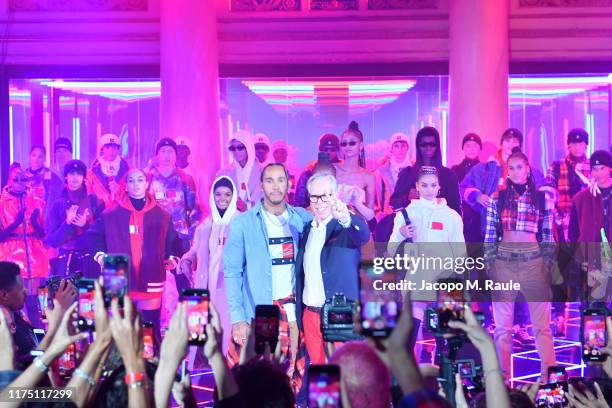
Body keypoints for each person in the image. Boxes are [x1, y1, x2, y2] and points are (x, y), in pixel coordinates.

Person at [224, 163, 312, 389]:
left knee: (289, 380)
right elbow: (232, 272)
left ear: (289, 183)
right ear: (261, 185)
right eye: (270, 181)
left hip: (293, 312)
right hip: (261, 311)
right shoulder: (243, 223)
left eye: (281, 180)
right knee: (258, 383)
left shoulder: (302, 219)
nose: (276, 187)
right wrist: (238, 318)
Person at [81, 168, 182, 337]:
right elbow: (93, 236)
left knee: (149, 328)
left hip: (151, 276)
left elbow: (173, 242)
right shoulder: (110, 214)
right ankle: (119, 363)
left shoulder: (162, 215)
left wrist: (172, 259)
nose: (136, 184)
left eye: (140, 180)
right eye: (131, 180)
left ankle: (150, 363)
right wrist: (101, 257)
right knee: (118, 328)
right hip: (117, 277)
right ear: (126, 186)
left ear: (147, 184)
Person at [483, 147, 556, 379]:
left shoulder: (541, 197)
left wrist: (548, 264)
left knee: (541, 326)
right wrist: (489, 263)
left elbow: (547, 234)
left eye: (520, 167)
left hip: (534, 262)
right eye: (511, 167)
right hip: (504, 262)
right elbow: (490, 234)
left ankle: (549, 380)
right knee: (502, 328)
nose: (515, 171)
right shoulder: (499, 197)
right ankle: (502, 382)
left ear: (528, 169)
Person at [387, 166, 466, 362]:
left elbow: (460, 253)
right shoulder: (405, 214)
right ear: (417, 187)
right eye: (424, 185)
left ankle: (446, 385)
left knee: (448, 344)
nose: (429, 189)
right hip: (417, 280)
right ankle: (408, 384)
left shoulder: (452, 216)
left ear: (439, 186)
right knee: (410, 337)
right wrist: (402, 234)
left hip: (447, 283)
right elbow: (390, 249)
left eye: (433, 185)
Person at [295, 173, 370, 364]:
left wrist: (346, 218)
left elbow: (364, 235)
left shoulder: (346, 226)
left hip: (340, 312)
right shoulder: (307, 230)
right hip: (311, 315)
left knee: (347, 375)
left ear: (335, 195)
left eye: (325, 196)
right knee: (322, 378)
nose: (319, 202)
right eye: (314, 197)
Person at [180, 176, 238, 356]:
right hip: (204, 284)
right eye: (218, 194)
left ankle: (224, 373)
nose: (223, 198)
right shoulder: (204, 225)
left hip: (227, 286)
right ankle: (197, 375)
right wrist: (187, 259)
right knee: (198, 334)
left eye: (228, 194)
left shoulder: (242, 223)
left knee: (224, 332)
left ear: (234, 196)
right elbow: (195, 249)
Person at [547, 128, 592, 336]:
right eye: (573, 143)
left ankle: (580, 319)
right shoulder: (557, 167)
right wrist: (558, 218)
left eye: (581, 143)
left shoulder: (593, 167)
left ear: (586, 145)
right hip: (562, 228)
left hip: (587, 229)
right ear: (568, 145)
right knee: (561, 272)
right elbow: (548, 192)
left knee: (585, 274)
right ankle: (559, 317)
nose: (577, 146)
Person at [0, 163, 48, 325]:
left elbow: (44, 234)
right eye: (16, 179)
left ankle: (41, 343)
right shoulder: (1, 203)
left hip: (36, 259)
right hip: (11, 257)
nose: (20, 182)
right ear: (9, 180)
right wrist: (16, 222)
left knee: (37, 305)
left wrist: (34, 222)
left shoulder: (37, 201)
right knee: (13, 305)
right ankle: (15, 343)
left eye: (23, 179)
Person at [45, 160, 105, 279]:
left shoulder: (93, 201)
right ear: (66, 176)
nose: (75, 177)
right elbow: (51, 240)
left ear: (84, 177)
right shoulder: (58, 204)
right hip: (64, 263)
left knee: (89, 296)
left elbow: (103, 235)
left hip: (89, 262)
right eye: (72, 173)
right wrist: (67, 224)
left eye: (79, 174)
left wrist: (86, 225)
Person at [569, 149, 612, 303]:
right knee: (594, 309)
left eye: (602, 168)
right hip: (592, 259)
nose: (598, 173)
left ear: (610, 169)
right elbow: (573, 234)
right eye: (595, 168)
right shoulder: (580, 199)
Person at [390, 126, 461, 216]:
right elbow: (393, 205)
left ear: (437, 146)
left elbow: (456, 209)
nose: (428, 148)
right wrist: (407, 198)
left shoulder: (448, 175)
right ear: (418, 147)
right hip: (413, 226)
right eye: (424, 144)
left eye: (432, 144)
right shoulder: (407, 174)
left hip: (441, 226)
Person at [148, 137, 200, 252]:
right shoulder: (148, 178)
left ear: (175, 155)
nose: (167, 156)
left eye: (170, 152)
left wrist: (193, 240)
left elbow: (194, 210)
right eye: (163, 151)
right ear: (157, 155)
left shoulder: (186, 179)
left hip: (180, 238)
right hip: (154, 237)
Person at [335, 121, 377, 227]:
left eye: (352, 143)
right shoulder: (332, 170)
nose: (348, 146)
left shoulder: (368, 177)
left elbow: (370, 215)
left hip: (357, 229)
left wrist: (357, 204)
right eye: (344, 143)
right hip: (333, 228)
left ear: (361, 145)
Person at [217, 130, 263, 212]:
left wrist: (246, 207)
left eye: (240, 147)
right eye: (233, 148)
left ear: (248, 147)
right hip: (232, 222)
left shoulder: (263, 173)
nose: (236, 151)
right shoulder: (223, 174)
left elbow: (267, 203)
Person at [295, 133, 341, 208]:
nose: (329, 152)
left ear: (337, 150)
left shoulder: (343, 172)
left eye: (332, 149)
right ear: (320, 150)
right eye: (325, 149)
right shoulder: (309, 172)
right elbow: (300, 201)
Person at [86, 133, 130, 208]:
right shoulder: (92, 173)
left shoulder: (128, 171)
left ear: (118, 150)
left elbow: (133, 194)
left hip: (122, 213)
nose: (111, 151)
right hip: (99, 214)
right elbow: (88, 195)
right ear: (102, 149)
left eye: (114, 148)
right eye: (107, 147)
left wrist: (118, 191)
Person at [376, 132, 412, 216]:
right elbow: (377, 199)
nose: (400, 149)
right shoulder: (381, 172)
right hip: (389, 215)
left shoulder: (415, 168)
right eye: (396, 146)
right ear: (391, 149)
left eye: (403, 145)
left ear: (407, 147)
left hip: (412, 213)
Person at [23, 145, 63, 220]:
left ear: (44, 158)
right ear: (29, 156)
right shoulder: (22, 177)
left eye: (40, 156)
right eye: (34, 155)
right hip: (25, 219)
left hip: (45, 219)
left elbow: (59, 197)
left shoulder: (52, 177)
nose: (36, 159)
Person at [175, 136, 209, 213]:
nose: (181, 151)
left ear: (189, 151)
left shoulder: (200, 174)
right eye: (179, 148)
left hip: (193, 216)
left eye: (184, 148)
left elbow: (204, 202)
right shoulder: (169, 172)